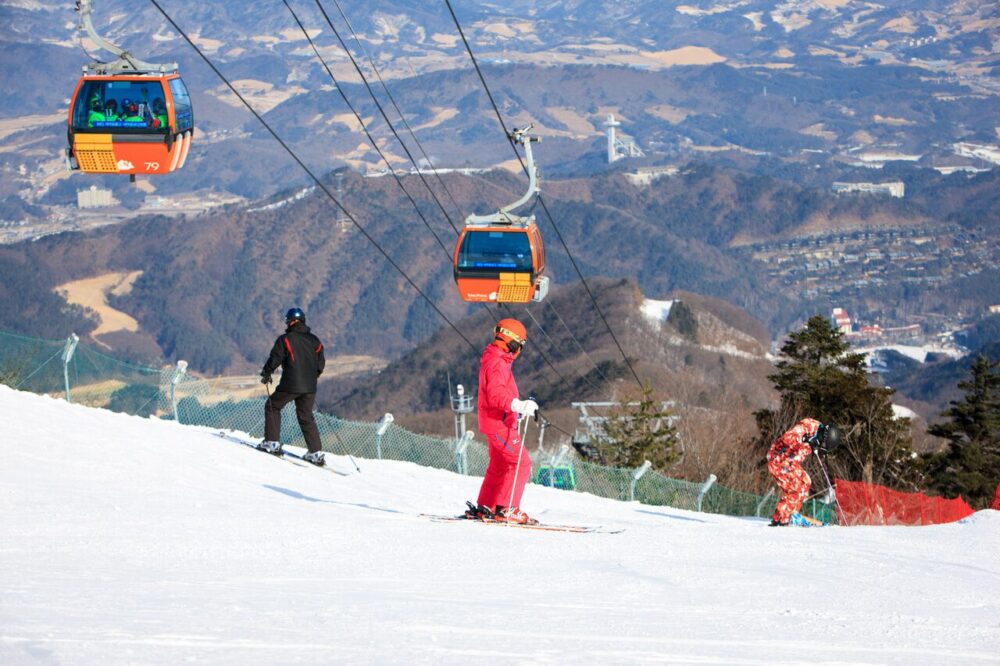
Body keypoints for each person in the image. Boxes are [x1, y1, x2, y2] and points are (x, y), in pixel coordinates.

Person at [465, 318, 538, 524]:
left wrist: (516, 410)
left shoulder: (495, 359)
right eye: (520, 345)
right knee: (521, 463)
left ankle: (485, 506)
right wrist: (517, 405)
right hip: (499, 423)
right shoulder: (497, 363)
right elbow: (496, 395)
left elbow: (500, 392)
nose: (520, 350)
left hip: (495, 420)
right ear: (513, 343)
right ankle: (508, 509)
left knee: (499, 464)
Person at [259, 307, 326, 466]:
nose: (287, 323)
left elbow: (275, 359)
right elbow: (320, 365)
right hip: (310, 387)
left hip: (291, 384)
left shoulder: (285, 339)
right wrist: (310, 379)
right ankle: (315, 453)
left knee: (272, 406)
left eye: (288, 321)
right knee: (306, 416)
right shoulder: (315, 341)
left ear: (292, 321)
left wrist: (266, 373)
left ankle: (272, 442)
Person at [766, 418, 841, 526]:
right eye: (823, 445)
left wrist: (813, 444)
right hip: (778, 460)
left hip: (791, 462)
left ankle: (792, 515)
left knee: (805, 482)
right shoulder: (809, 426)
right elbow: (787, 438)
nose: (821, 447)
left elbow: (800, 454)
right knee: (795, 489)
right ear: (824, 436)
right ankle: (783, 519)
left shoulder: (818, 436)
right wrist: (805, 439)